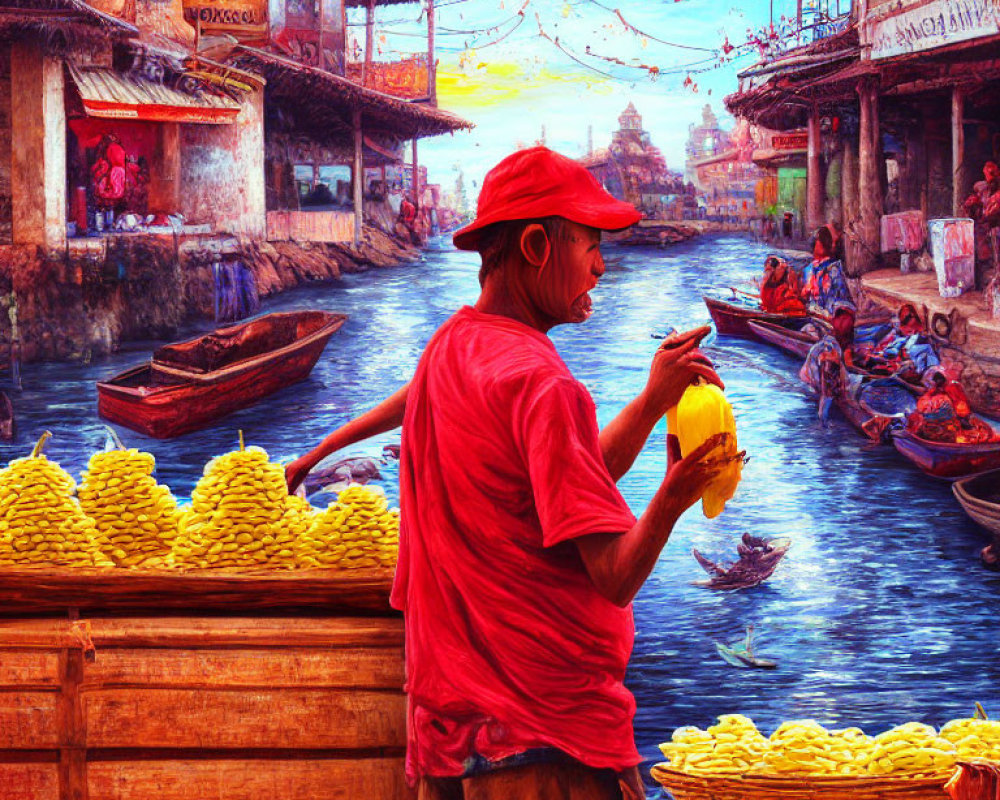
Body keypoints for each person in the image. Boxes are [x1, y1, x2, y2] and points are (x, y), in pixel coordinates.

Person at [285, 147, 736, 800]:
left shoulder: (453, 347)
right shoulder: (543, 383)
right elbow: (611, 577)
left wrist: (649, 402)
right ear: (534, 245)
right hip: (547, 743)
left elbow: (563, 486)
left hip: (450, 738)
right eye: (589, 246)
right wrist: (675, 494)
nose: (602, 267)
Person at [905, 368, 997, 444]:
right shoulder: (937, 393)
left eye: (933, 382)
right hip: (950, 418)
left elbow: (961, 406)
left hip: (956, 417)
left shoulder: (951, 388)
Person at [962, 160, 1000, 284]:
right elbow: (973, 210)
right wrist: (972, 206)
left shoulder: (997, 194)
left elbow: (990, 213)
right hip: (983, 229)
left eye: (993, 174)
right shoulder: (981, 189)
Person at [801, 225, 851, 314]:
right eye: (821, 239)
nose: (827, 243)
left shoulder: (834, 269)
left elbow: (841, 300)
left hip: (828, 316)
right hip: (812, 315)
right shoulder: (808, 270)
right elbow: (804, 297)